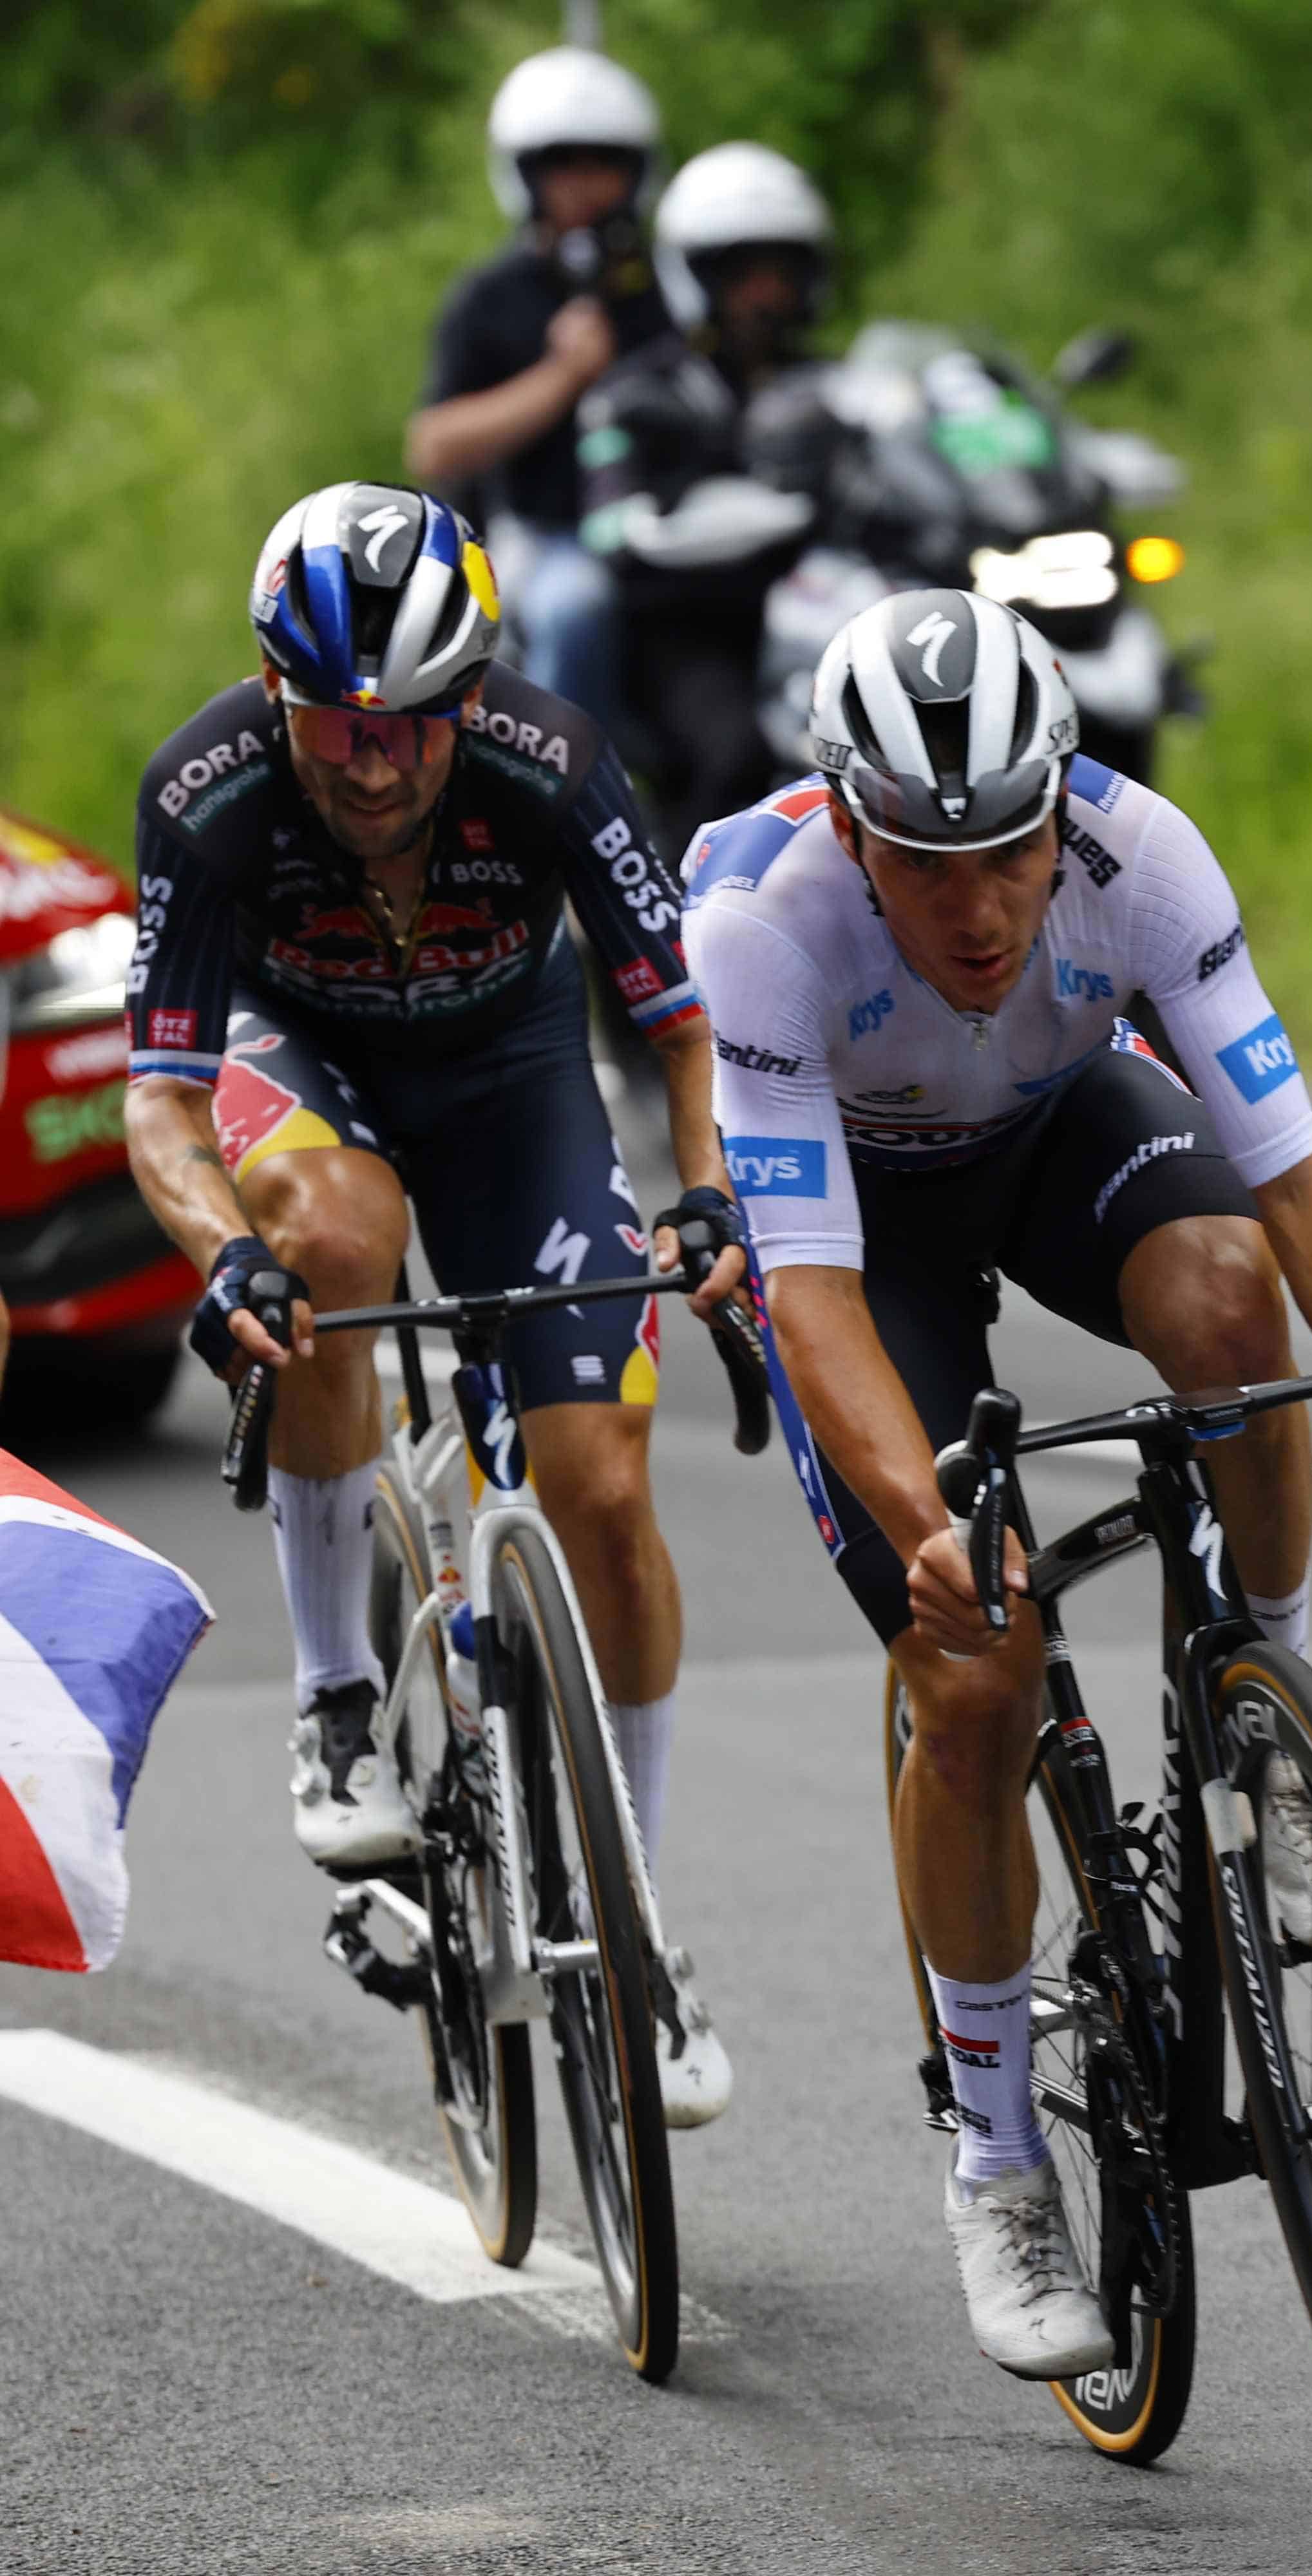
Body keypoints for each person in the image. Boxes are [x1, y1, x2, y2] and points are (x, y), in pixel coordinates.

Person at [680, 587, 1312, 2374]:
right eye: (926, 866)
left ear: (1058, 807)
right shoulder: (765, 928)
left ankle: (1261, 1718)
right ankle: (994, 2162)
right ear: (849, 824)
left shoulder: (1140, 854)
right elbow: (815, 1292)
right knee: (979, 1662)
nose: (978, 907)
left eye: (1006, 852)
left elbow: (1295, 1169)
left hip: (1052, 1133)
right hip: (865, 1235)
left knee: (1227, 1286)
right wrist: (932, 1537)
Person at [122, 478, 747, 2124]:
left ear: (471, 692)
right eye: (335, 725)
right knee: (329, 1241)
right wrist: (221, 1253)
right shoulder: (207, 794)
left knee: (604, 1486)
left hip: (515, 1073)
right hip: (302, 1060)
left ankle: (641, 1929)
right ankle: (336, 1699)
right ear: (276, 696)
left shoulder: (553, 761)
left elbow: (682, 1033)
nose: (377, 762)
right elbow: (160, 1104)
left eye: (413, 721)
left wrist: (709, 1196)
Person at [569, 142, 835, 861]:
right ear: (696, 278)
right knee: (735, 757)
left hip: (826, 614)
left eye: (781, 273)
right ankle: (688, 942)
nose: (764, 296)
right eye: (743, 275)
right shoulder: (636, 395)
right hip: (692, 632)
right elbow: (616, 526)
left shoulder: (840, 385)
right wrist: (761, 514)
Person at [406, 46, 668, 723]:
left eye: (604, 163)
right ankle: (562, 794)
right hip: (545, 533)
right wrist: (564, 376)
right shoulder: (492, 297)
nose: (584, 185)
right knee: (574, 605)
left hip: (665, 523)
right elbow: (433, 447)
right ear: (525, 174)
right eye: (562, 165)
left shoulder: (671, 287)